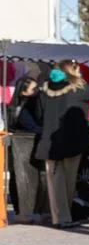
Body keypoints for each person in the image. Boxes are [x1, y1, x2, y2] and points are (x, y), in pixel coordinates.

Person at [35, 60, 89, 228]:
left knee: (54, 182)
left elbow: (38, 113)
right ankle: (64, 217)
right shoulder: (79, 88)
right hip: (73, 141)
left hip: (50, 142)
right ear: (72, 70)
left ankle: (61, 217)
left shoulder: (44, 89)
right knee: (69, 182)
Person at [6, 76, 47, 223]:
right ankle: (25, 211)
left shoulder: (20, 105)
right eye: (34, 89)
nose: (38, 91)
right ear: (24, 92)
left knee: (20, 178)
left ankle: (23, 210)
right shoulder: (24, 107)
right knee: (24, 179)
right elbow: (31, 125)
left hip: (23, 144)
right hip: (24, 144)